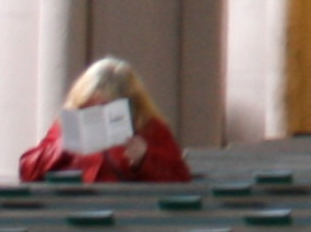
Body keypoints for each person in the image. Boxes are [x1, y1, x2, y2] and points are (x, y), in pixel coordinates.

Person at [14, 56, 194, 184]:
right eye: (91, 107)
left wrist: (144, 159)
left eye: (107, 107)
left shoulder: (150, 128)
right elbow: (26, 170)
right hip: (75, 210)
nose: (99, 114)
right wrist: (61, 146)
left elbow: (180, 177)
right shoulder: (66, 125)